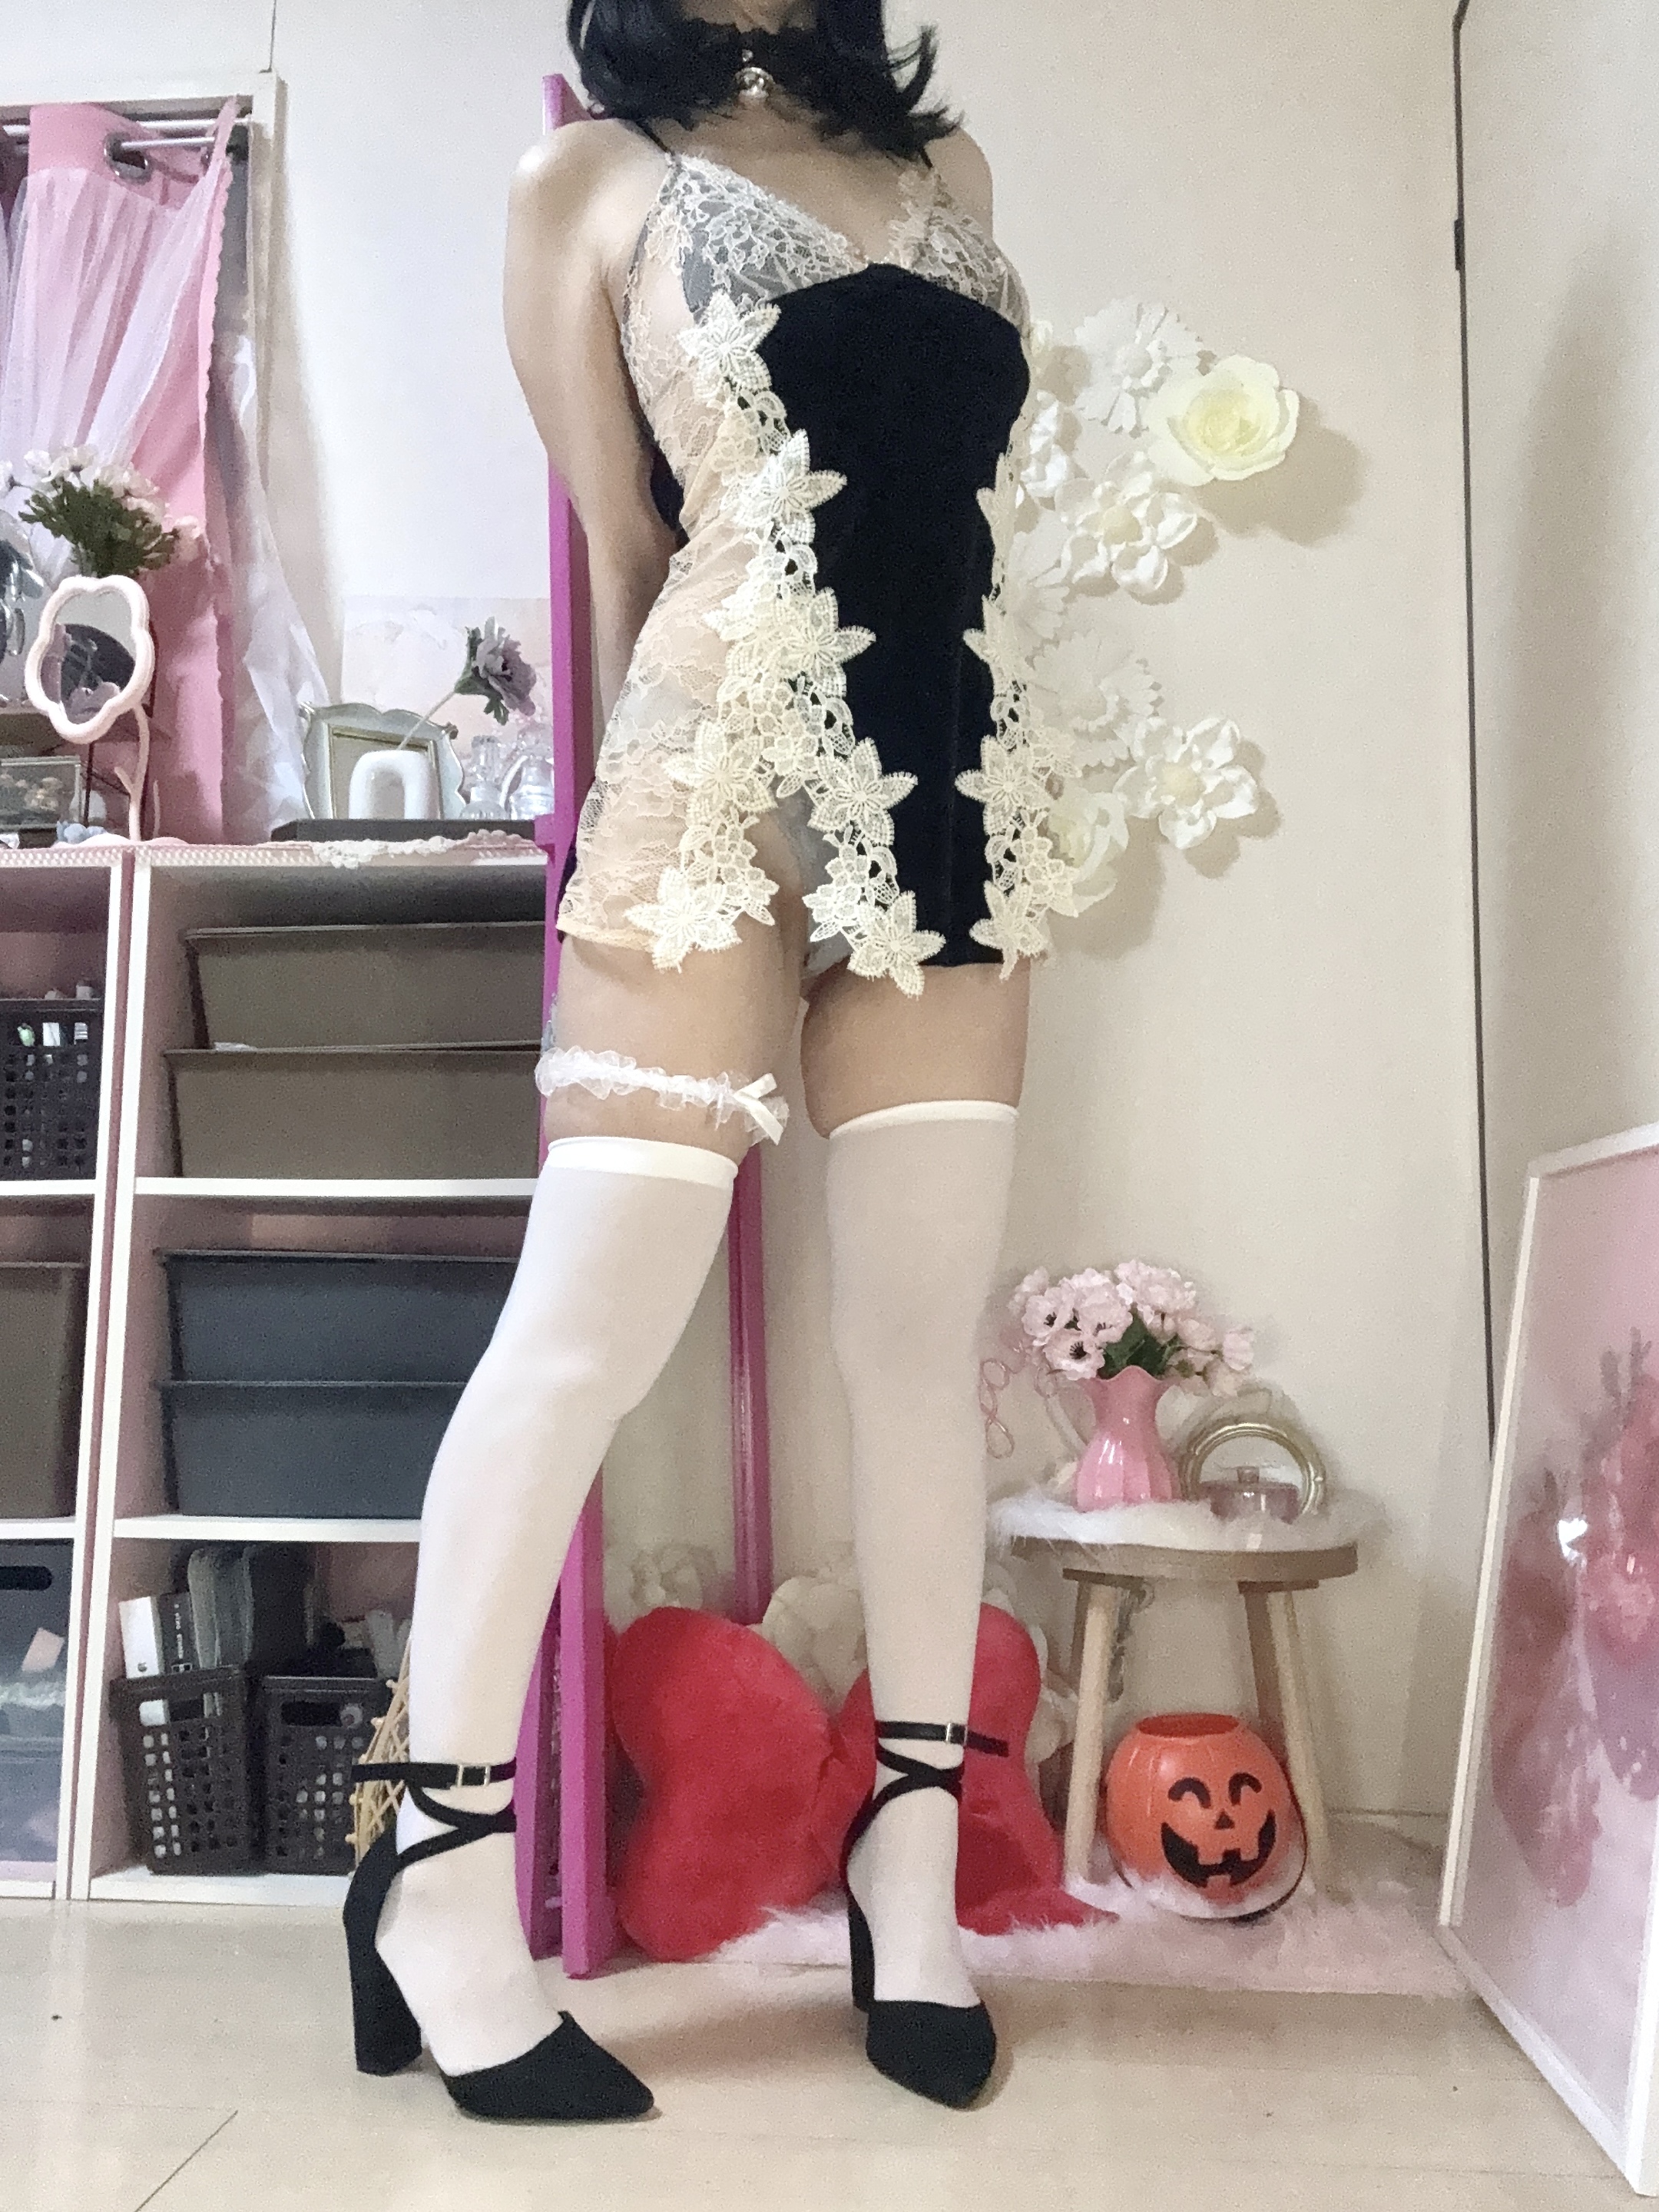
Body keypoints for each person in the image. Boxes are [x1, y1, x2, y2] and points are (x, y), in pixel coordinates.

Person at [343, 0, 1086, 2119]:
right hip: (715, 780)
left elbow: (957, 510)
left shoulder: (952, 177)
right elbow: (627, 547)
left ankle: (912, 1852)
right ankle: (432, 1866)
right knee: (580, 1338)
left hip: (960, 782)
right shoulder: (586, 178)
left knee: (917, 1353)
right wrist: (628, 835)